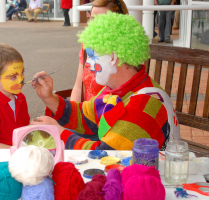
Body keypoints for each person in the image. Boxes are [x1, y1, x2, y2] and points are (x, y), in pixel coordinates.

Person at [31, 12, 180, 151]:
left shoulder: (141, 106)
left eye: (92, 55)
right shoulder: (119, 89)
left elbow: (104, 157)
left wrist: (59, 133)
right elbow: (84, 116)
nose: (88, 63)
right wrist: (48, 97)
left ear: (113, 57)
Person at [71, 0, 128, 102]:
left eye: (102, 20)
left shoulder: (123, 50)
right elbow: (78, 87)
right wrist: (72, 115)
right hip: (85, 113)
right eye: (93, 18)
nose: (95, 24)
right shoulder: (87, 43)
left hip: (108, 113)